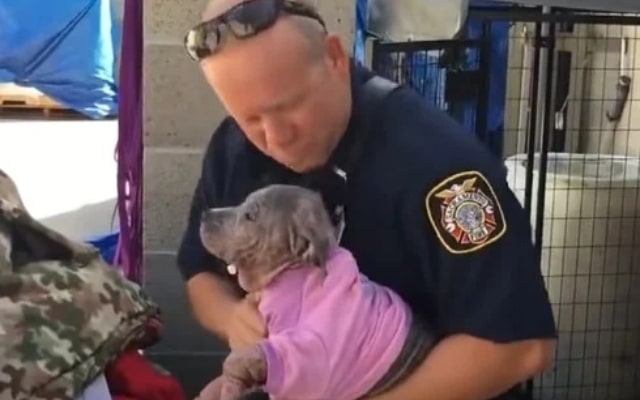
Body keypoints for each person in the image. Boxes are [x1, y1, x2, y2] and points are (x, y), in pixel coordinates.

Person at [177, 0, 558, 399]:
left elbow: (521, 347)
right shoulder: (234, 149)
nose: (276, 137)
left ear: (335, 58)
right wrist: (233, 319)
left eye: (290, 106)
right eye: (250, 119)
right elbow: (200, 272)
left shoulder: (441, 170)